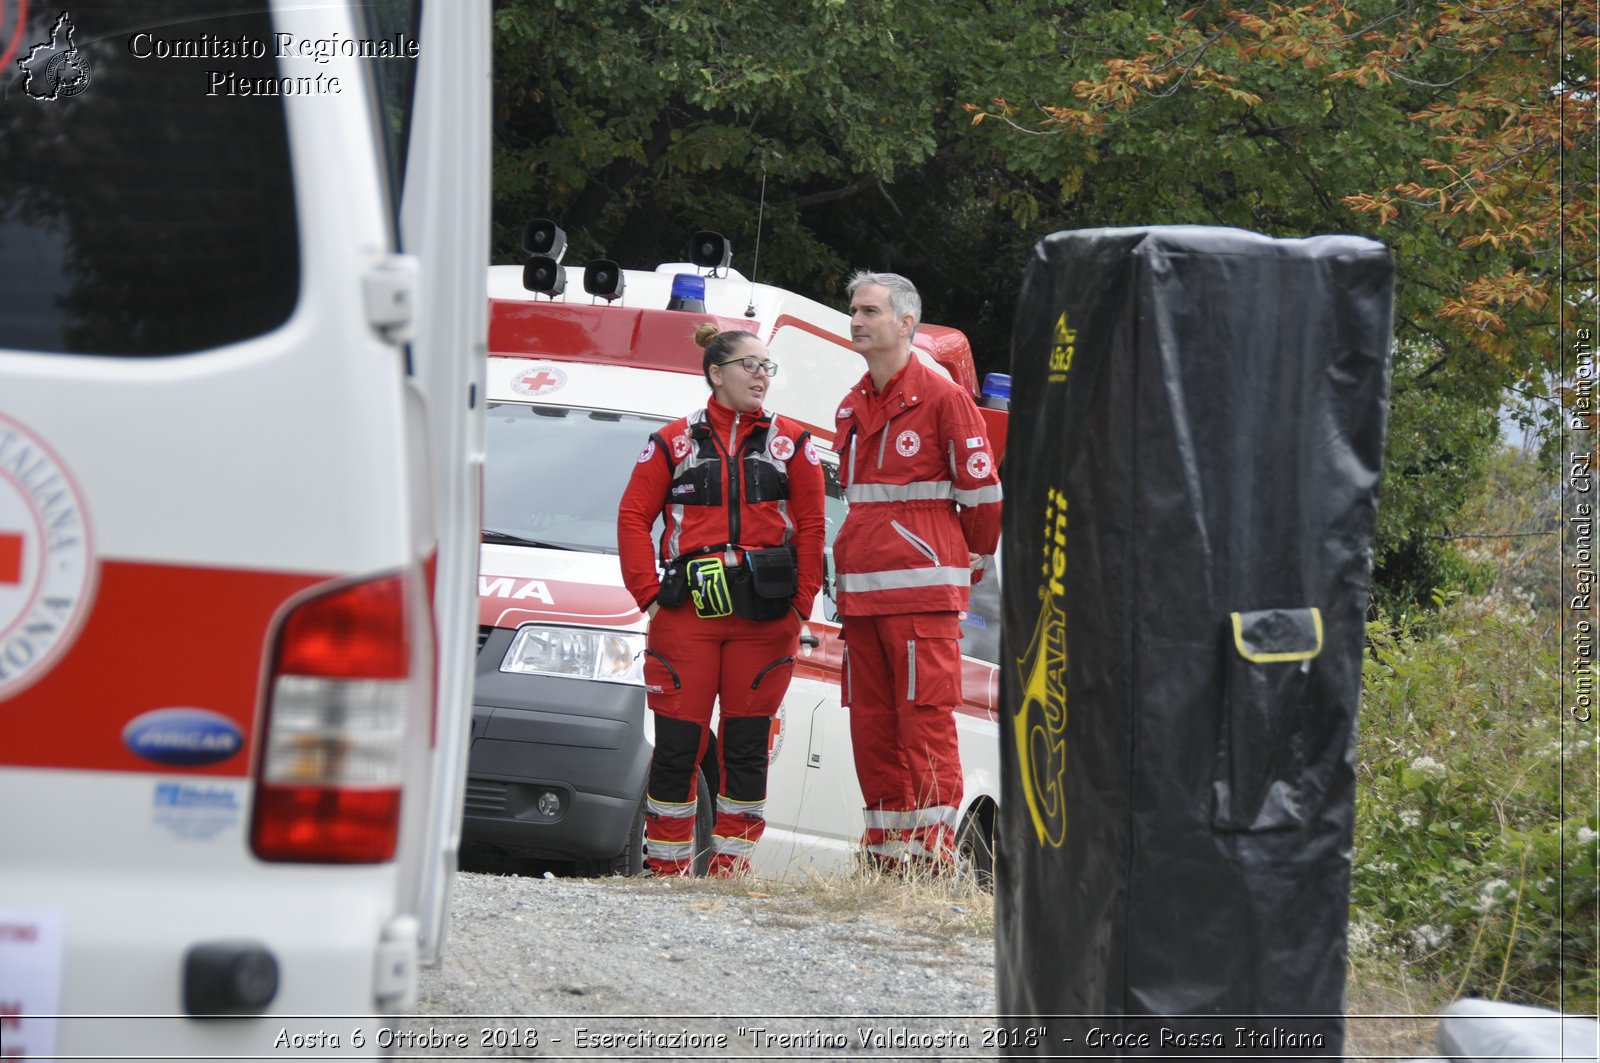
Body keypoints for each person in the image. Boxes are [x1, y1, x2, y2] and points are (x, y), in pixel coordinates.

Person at [617, 322, 826, 876]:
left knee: (746, 747)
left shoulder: (794, 444)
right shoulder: (672, 441)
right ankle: (665, 870)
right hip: (685, 616)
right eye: (751, 365)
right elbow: (633, 517)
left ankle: (730, 873)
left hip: (765, 616)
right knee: (678, 747)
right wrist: (649, 596)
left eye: (767, 367)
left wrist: (801, 606)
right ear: (716, 373)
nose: (762, 376)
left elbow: (812, 529)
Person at [831, 271, 1002, 872]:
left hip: (922, 595)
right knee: (873, 729)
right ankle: (885, 856)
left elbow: (982, 494)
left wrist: (969, 558)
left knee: (924, 725)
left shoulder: (943, 399)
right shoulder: (850, 404)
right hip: (861, 597)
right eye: (854, 309)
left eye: (870, 311)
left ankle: (931, 856)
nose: (857, 320)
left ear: (905, 323)